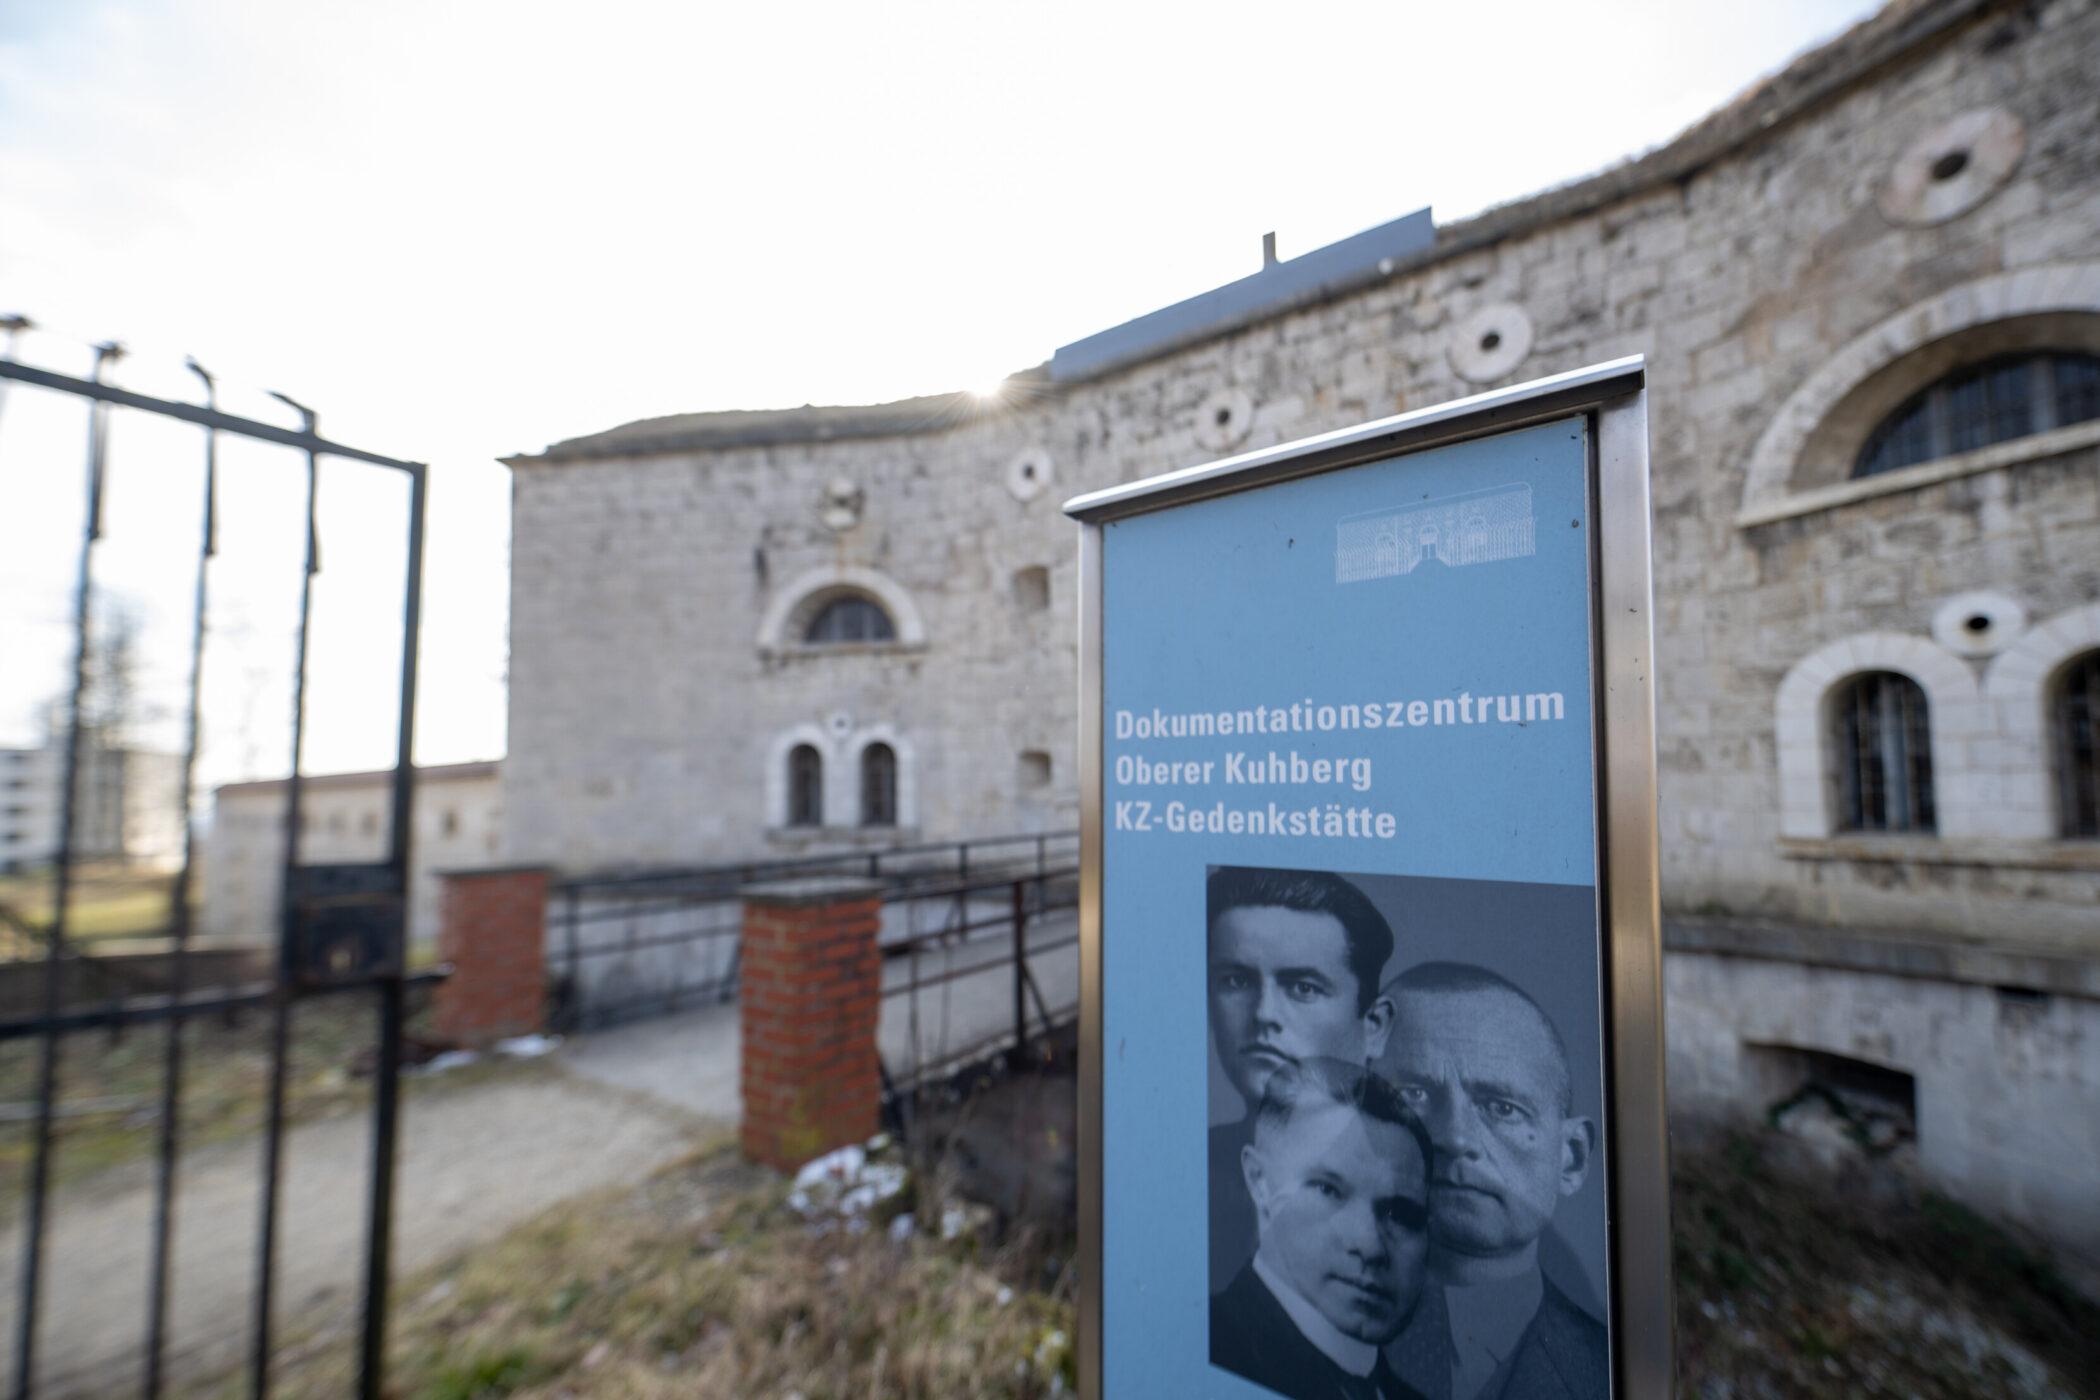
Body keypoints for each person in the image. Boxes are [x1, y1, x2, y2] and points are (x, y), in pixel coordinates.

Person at [1375, 963, 1607, 1400]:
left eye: (1501, 1108)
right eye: (1413, 1096)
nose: (1454, 1137)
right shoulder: (1264, 1335)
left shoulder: (1612, 1373)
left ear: (1571, 1158)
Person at [1209, 866, 1398, 1291]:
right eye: (1236, 981)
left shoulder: (1413, 1197)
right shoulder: (1188, 1174)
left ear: (1374, 1025)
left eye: (1303, 987)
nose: (1263, 1015)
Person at [1212, 1059, 1433, 1400]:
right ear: (1259, 1182)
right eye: (1329, 1190)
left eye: (1400, 1213)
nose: (1370, 1245)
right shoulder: (1199, 1348)